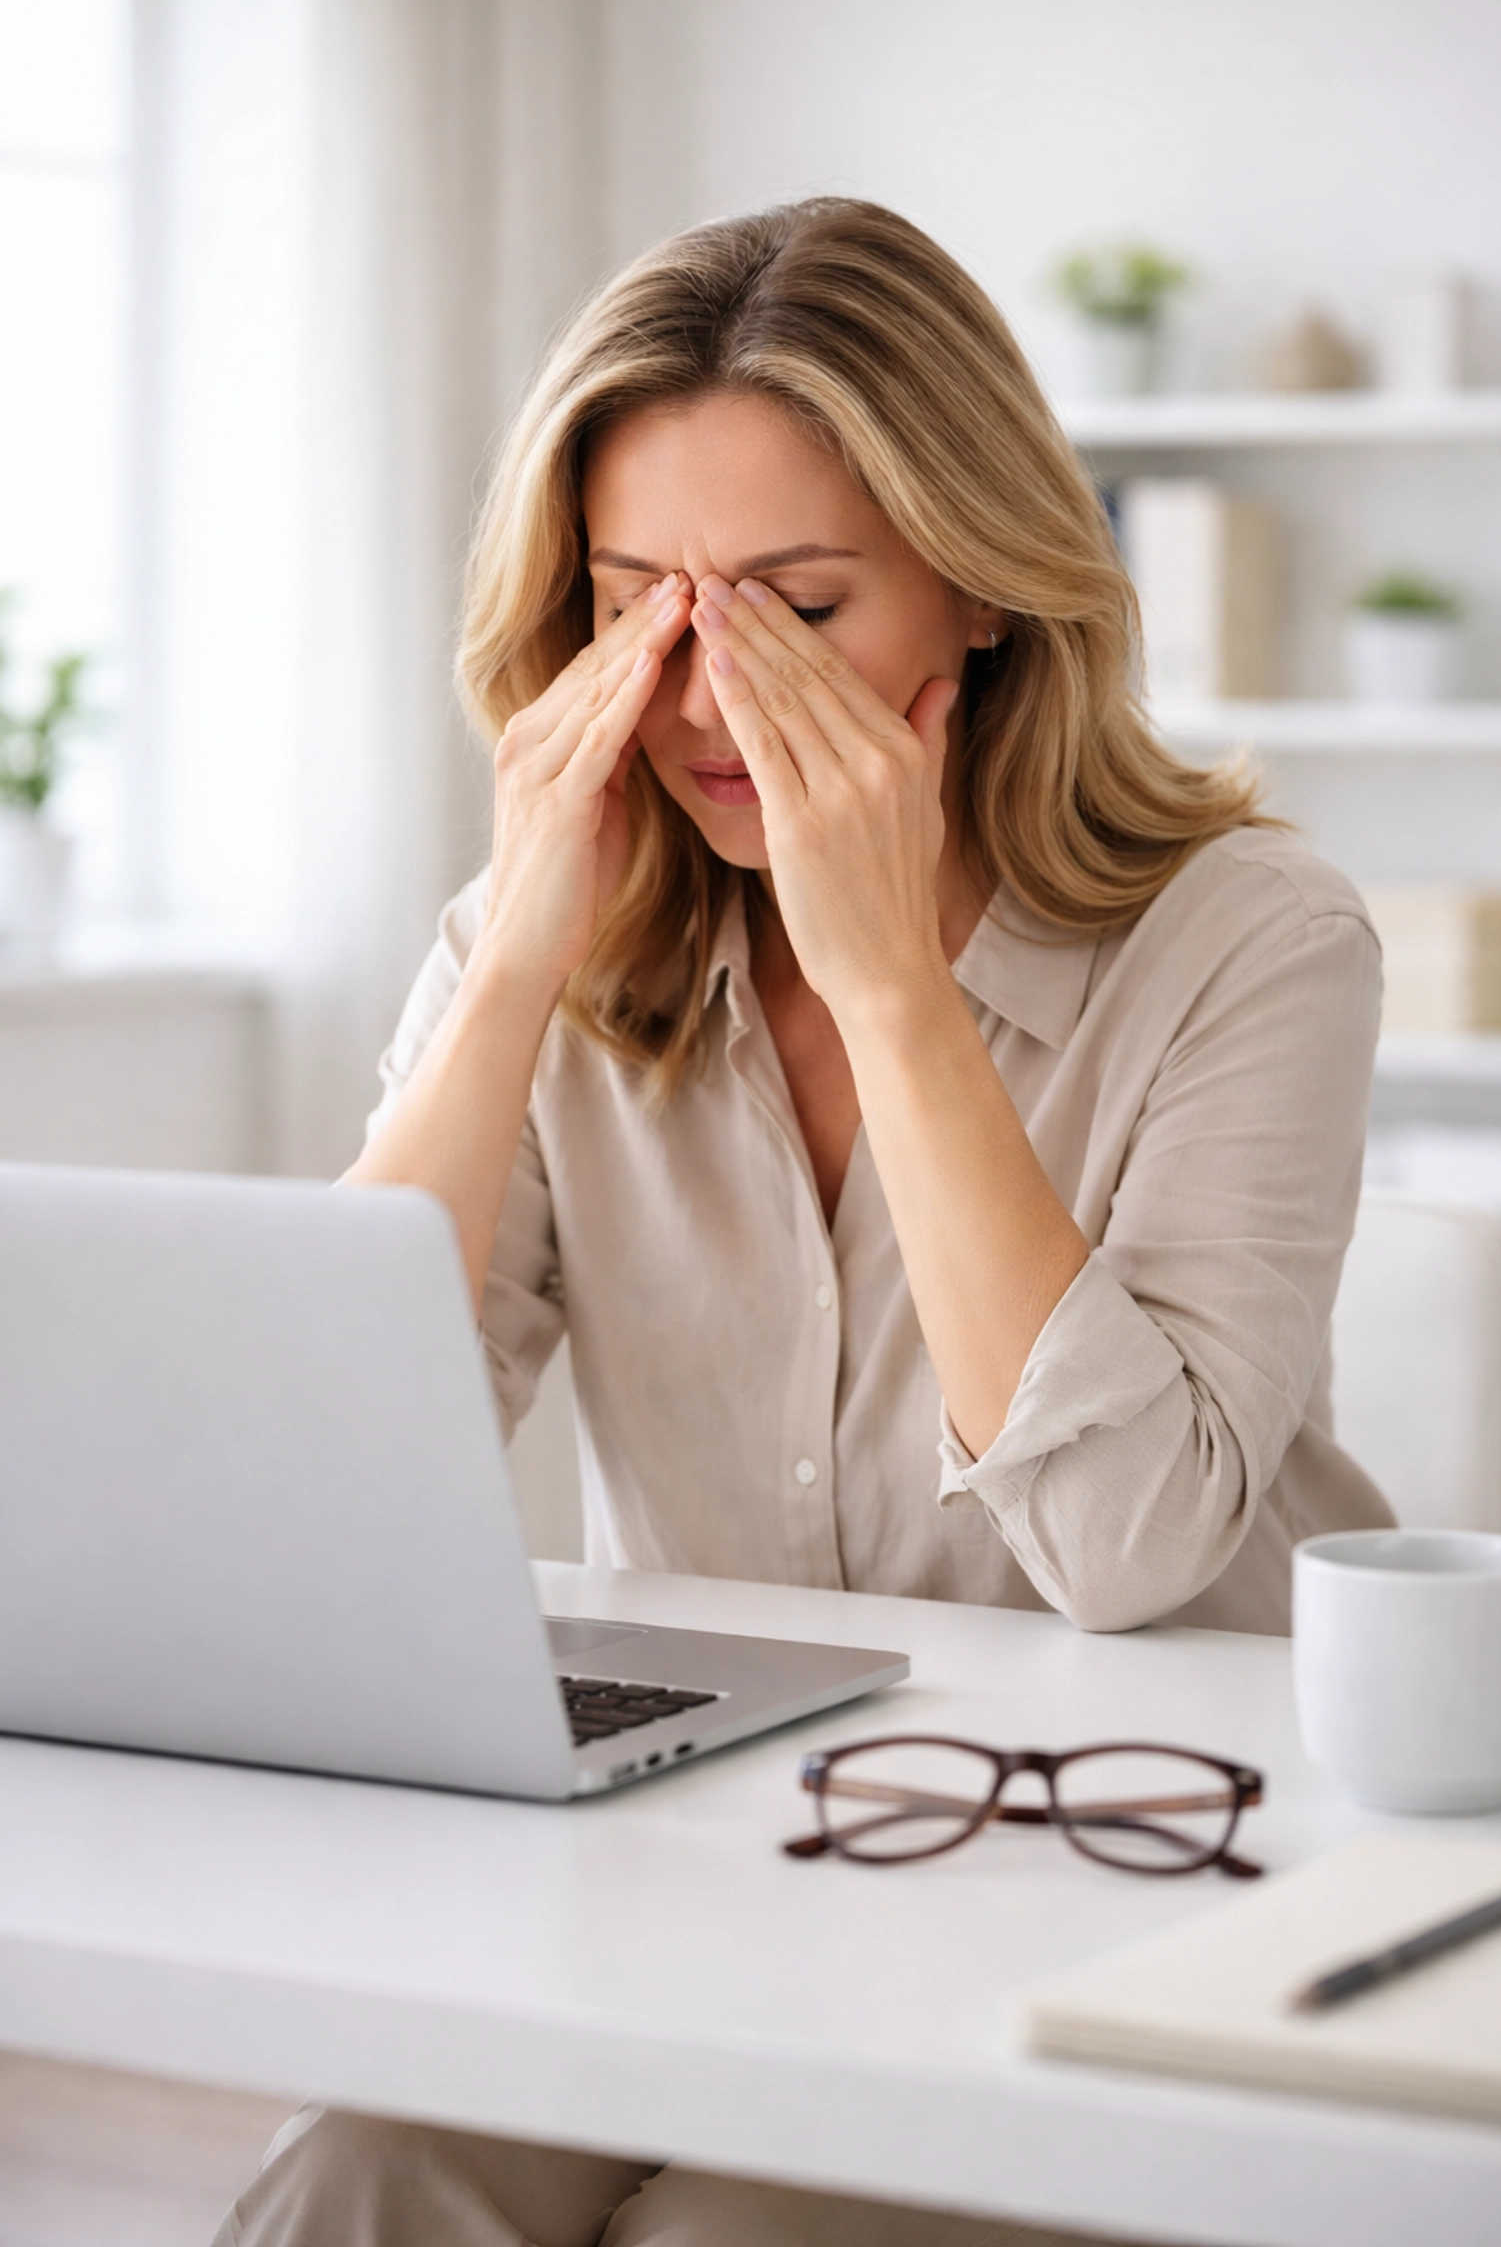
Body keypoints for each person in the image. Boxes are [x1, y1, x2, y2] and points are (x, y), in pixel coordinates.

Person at [215, 197, 1391, 2247]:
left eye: (795, 610)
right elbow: (309, 1489)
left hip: (1134, 1873)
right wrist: (506, 977)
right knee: (355, 2182)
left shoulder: (1252, 943)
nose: (700, 701)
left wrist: (893, 995)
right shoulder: (547, 952)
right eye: (633, 612)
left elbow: (1125, 1553)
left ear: (985, 595)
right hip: (702, 1866)